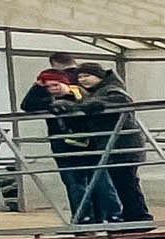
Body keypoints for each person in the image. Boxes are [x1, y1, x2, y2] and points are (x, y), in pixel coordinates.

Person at [19, 53, 115, 224]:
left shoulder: (59, 86)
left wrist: (40, 89)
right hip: (91, 139)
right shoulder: (86, 81)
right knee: (98, 178)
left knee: (76, 181)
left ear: (54, 65)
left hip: (65, 141)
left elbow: (27, 106)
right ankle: (106, 216)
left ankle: (84, 218)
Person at [71, 65, 152, 224]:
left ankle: (139, 217)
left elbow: (121, 100)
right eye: (80, 77)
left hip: (123, 145)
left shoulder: (111, 89)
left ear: (99, 76)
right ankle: (133, 217)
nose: (83, 80)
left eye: (87, 75)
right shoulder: (97, 91)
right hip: (115, 145)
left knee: (126, 183)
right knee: (123, 183)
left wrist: (94, 103)